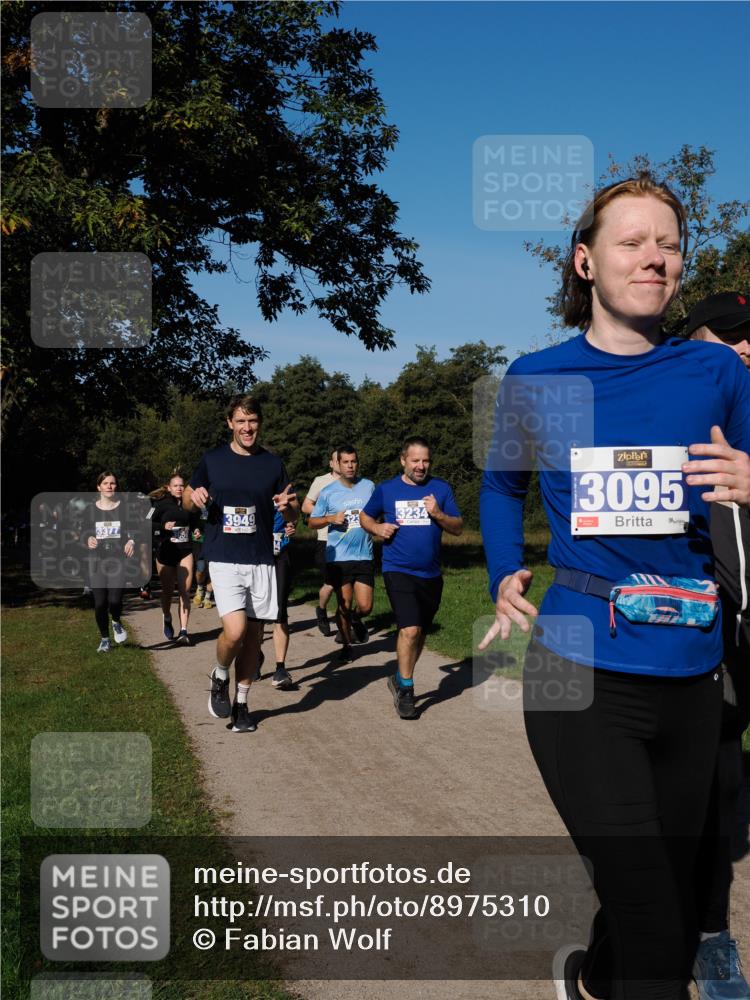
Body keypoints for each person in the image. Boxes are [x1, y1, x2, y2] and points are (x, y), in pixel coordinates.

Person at [479, 176, 750, 1000]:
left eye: (668, 243)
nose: (655, 258)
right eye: (633, 241)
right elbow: (499, 488)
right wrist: (501, 571)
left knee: (659, 886)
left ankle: (592, 977)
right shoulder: (535, 377)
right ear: (586, 261)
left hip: (693, 668)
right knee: (659, 929)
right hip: (577, 664)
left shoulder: (716, 371)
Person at [682, 292, 750, 1000]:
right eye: (730, 335)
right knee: (709, 790)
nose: (748, 346)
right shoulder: (668, 434)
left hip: (748, 647)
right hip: (691, 646)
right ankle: (708, 938)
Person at [184, 394, 298, 734]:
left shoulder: (273, 464)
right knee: (234, 631)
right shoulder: (213, 460)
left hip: (261, 557)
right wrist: (196, 497)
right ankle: (220, 673)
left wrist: (288, 507)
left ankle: (242, 703)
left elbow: (291, 512)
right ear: (230, 423)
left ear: (259, 423)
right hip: (223, 554)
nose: (247, 428)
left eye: (253, 421)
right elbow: (189, 498)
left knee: (253, 637)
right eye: (241, 422)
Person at [360, 436, 463, 718]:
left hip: (431, 574)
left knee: (419, 635)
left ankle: (399, 677)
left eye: (425, 461)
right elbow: (365, 517)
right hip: (398, 569)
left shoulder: (440, 489)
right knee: (410, 630)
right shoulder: (387, 489)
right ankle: (406, 689)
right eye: (415, 460)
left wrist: (438, 513)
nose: (421, 466)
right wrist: (377, 529)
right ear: (403, 460)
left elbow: (457, 527)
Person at [308, 446, 375, 663]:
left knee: (365, 606)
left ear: (358, 463)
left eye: (353, 461)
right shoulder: (328, 492)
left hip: (364, 554)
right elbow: (311, 522)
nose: (350, 466)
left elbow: (377, 512)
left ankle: (356, 620)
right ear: (337, 464)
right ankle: (346, 644)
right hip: (338, 557)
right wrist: (330, 519)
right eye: (345, 462)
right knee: (344, 604)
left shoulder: (369, 486)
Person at [82, 472, 136, 652]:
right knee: (99, 603)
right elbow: (83, 532)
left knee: (114, 600)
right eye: (105, 483)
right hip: (97, 561)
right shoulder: (90, 509)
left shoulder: (124, 508)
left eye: (113, 483)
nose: (109, 486)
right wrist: (88, 539)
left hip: (117, 560)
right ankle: (105, 639)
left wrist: (131, 541)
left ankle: (116, 620)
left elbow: (135, 530)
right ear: (98, 487)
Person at [150, 472, 200, 645]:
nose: (179, 488)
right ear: (169, 488)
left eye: (182, 485)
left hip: (184, 551)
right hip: (166, 551)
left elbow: (195, 522)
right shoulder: (160, 504)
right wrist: (163, 526)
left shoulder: (189, 503)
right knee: (167, 591)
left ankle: (184, 631)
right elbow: (147, 521)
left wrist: (196, 529)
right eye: (176, 485)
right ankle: (167, 616)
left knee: (185, 591)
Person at [302, 450, 341, 636]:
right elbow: (305, 506)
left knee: (346, 585)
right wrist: (328, 516)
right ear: (332, 463)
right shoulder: (321, 481)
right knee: (332, 583)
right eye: (338, 460)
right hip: (326, 541)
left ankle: (344, 629)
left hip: (349, 541)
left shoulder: (356, 484)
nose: (343, 463)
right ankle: (322, 610)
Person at [263, 510, 298, 689]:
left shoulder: (283, 489)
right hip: (255, 556)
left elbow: (294, 513)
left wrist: (291, 526)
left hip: (280, 555)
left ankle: (280, 668)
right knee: (255, 613)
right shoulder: (249, 487)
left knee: (280, 610)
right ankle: (254, 655)